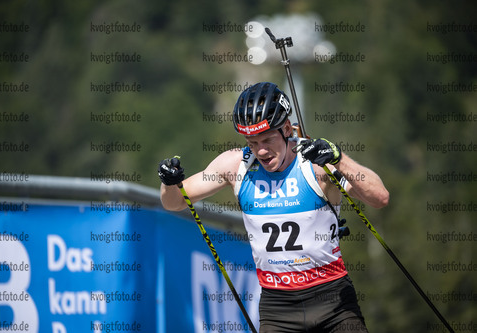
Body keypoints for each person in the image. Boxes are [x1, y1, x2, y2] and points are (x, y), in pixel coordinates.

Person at [158, 82, 389, 332]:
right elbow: (174, 202)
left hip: (333, 301)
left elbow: (379, 197)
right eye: (252, 142)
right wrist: (169, 182)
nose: (262, 151)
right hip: (278, 309)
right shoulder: (236, 166)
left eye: (267, 139)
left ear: (287, 128)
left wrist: (339, 159)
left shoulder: (314, 165)